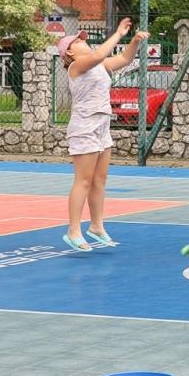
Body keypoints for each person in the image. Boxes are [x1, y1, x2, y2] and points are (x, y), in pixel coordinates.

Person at [60, 19, 147, 251]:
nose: (83, 41)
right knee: (84, 180)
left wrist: (134, 42)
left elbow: (124, 59)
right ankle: (73, 230)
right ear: (69, 52)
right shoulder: (76, 67)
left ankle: (96, 226)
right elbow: (98, 55)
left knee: (100, 180)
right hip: (84, 126)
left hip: (101, 125)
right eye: (78, 41)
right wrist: (118, 33)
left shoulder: (98, 65)